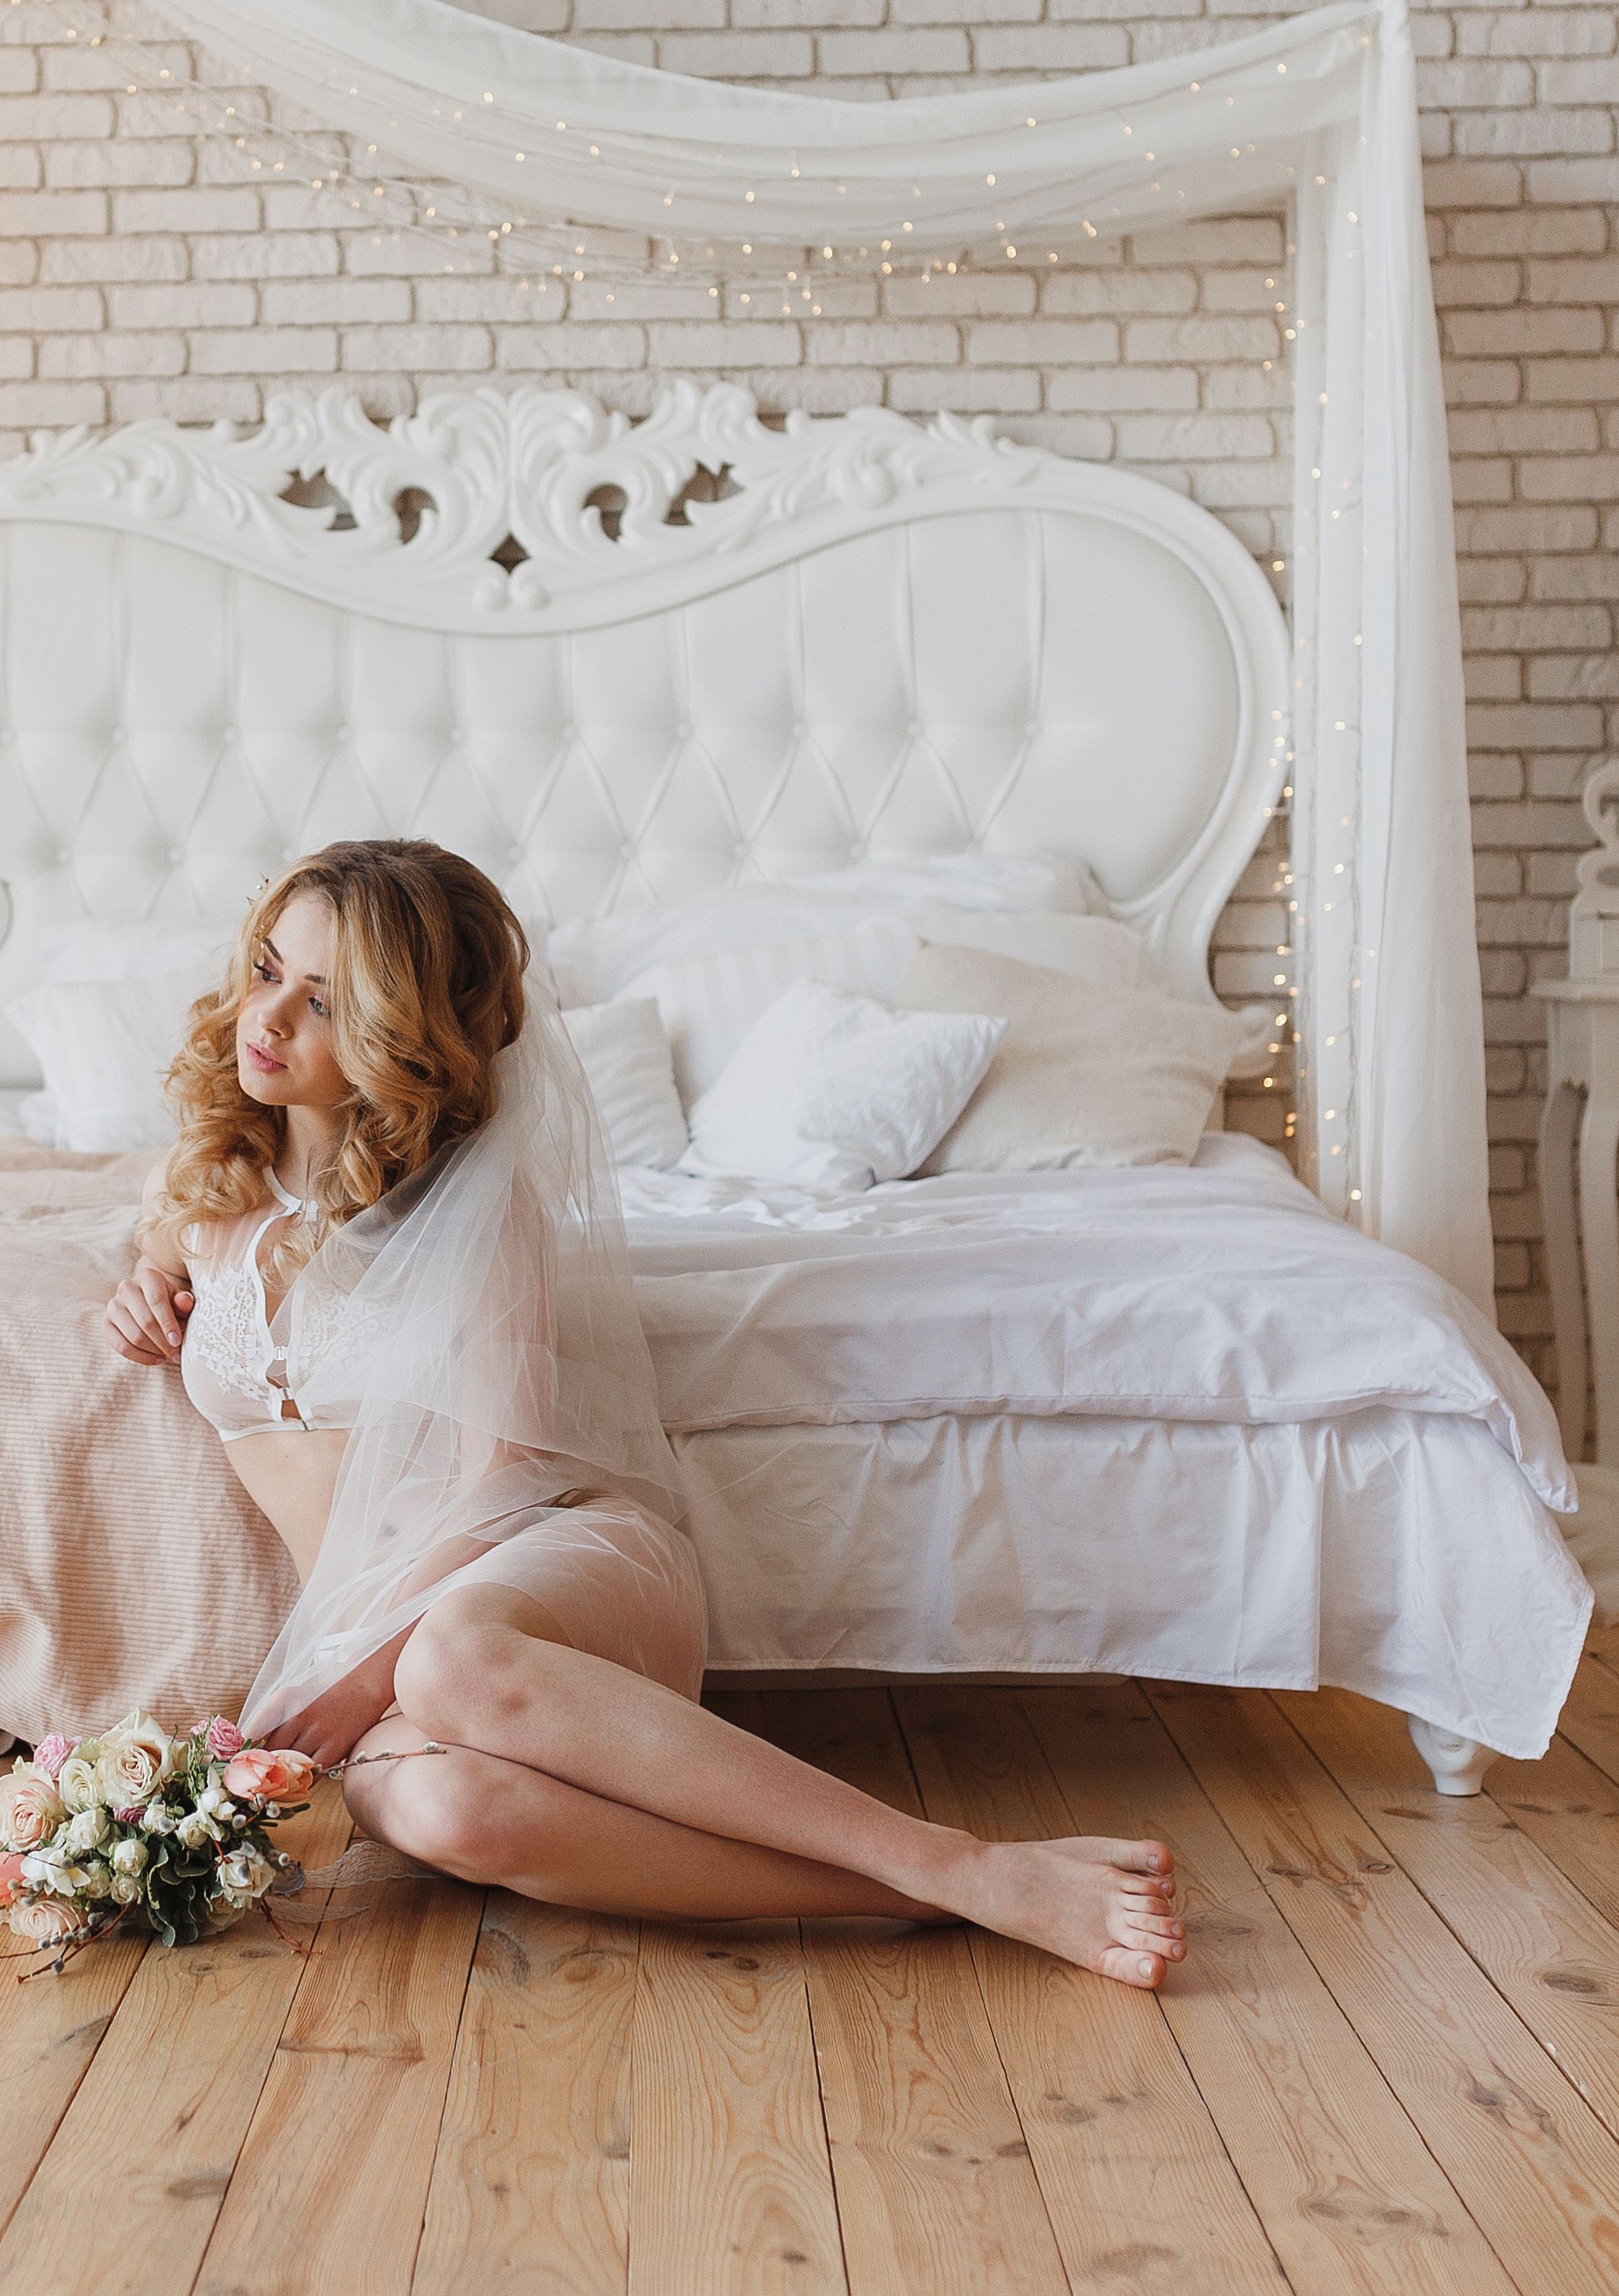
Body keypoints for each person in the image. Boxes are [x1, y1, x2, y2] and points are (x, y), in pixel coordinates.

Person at [101, 839, 1185, 1987]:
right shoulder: (209, 1191)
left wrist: (370, 1673)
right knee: (446, 1811)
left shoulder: (476, 1209)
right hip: (363, 1635)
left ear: (397, 1036)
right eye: (268, 968)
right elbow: (162, 1252)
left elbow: (500, 1481)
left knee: (451, 1667)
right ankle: (957, 1894)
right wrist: (138, 1287)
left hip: (543, 1576)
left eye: (322, 1000)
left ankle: (957, 1860)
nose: (266, 1017)